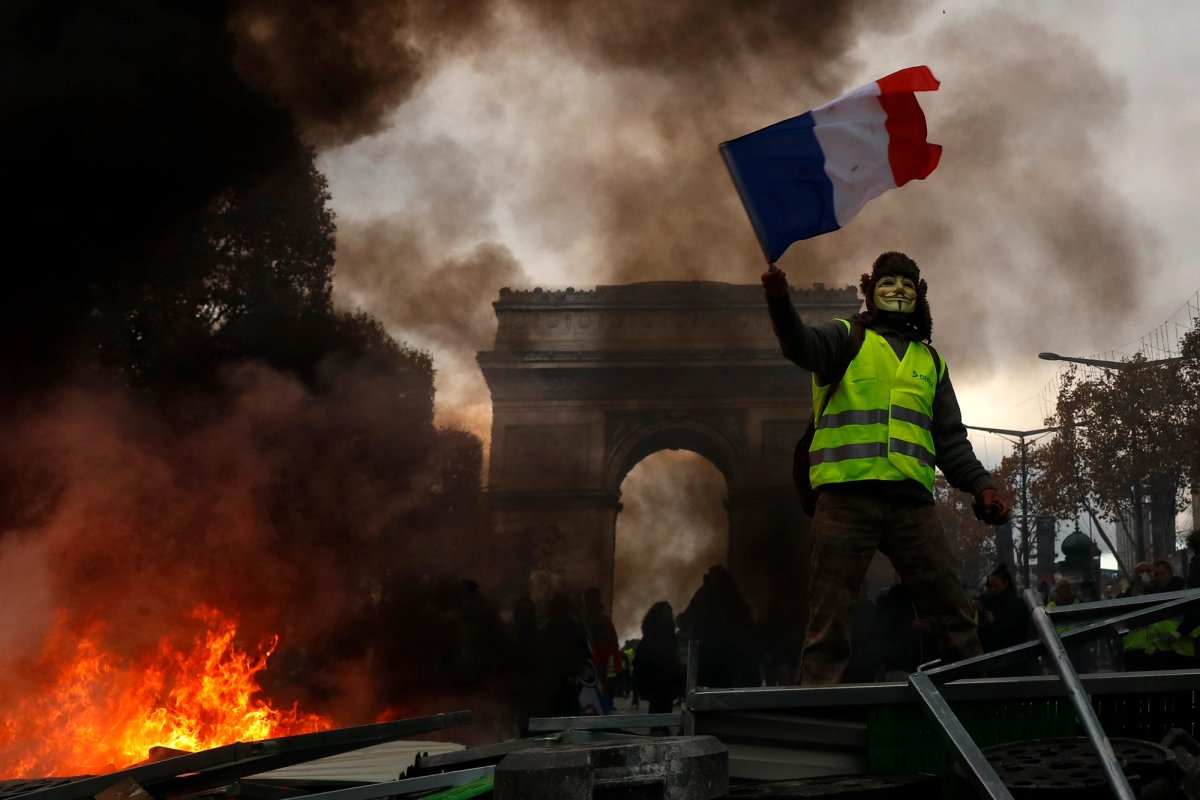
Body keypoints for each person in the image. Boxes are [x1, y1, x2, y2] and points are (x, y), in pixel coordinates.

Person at [763, 252, 1012, 685]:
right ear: (869, 290)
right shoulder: (846, 338)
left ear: (920, 295)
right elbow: (798, 345)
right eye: (888, 281)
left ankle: (976, 701)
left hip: (911, 506)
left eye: (907, 283)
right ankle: (816, 717)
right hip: (846, 498)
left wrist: (981, 485)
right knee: (830, 618)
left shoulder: (931, 362)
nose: (898, 289)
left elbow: (950, 440)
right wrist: (780, 301)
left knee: (953, 610)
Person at [635, 601, 685, 733]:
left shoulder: (667, 636)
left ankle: (660, 733)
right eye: (667, 612)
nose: (669, 615)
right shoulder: (654, 636)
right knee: (658, 714)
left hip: (666, 682)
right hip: (657, 681)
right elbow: (642, 661)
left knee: (662, 712)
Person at [976, 563, 1030, 676]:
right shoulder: (985, 602)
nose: (991, 590)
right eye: (989, 586)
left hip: (1012, 663)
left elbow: (1017, 633)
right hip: (990, 662)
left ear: (1006, 583)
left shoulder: (1017, 604)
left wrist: (993, 623)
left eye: (995, 585)